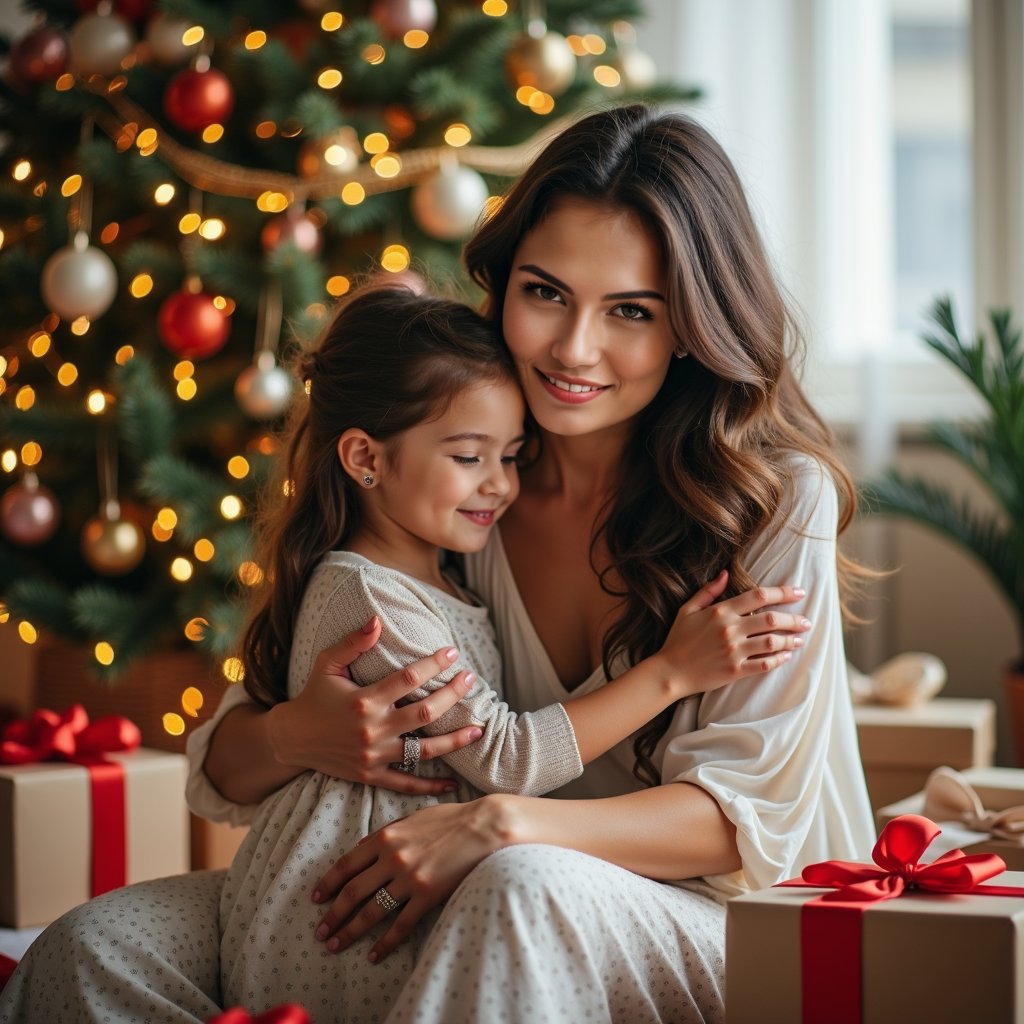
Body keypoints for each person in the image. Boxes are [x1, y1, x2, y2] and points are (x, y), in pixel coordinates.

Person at [0, 103, 874, 1024]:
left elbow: (742, 824)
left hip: (715, 916)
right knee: (93, 946)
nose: (574, 349)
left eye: (630, 312)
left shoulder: (772, 500)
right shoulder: (463, 482)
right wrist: (306, 735)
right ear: (503, 285)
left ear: (692, 325)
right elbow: (222, 764)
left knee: (521, 886)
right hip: (466, 871)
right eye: (545, 293)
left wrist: (497, 824)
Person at [216, 284, 806, 1016]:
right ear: (365, 457)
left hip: (428, 878)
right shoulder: (371, 598)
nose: (499, 485)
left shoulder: (442, 567)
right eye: (470, 456)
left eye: (513, 455)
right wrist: (671, 672)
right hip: (353, 900)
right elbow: (508, 758)